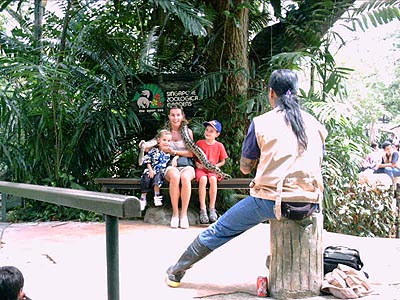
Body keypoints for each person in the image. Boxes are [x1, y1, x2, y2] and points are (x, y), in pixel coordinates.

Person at [165, 69, 327, 288]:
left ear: (271, 93)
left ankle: (176, 272)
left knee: (220, 229)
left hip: (271, 201)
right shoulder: (315, 124)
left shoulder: (262, 122)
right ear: (296, 93)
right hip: (310, 202)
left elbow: (244, 168)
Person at [139, 105, 196, 228]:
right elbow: (154, 143)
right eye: (173, 115)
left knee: (185, 178)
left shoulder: (187, 132)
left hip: (186, 164)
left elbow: (191, 153)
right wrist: (144, 144)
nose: (175, 118)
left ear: (182, 116)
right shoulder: (165, 132)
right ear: (169, 117)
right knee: (175, 177)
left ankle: (183, 215)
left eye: (178, 115)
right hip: (168, 165)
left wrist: (175, 153)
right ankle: (175, 214)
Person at [195, 120, 228, 224]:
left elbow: (223, 161)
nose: (208, 132)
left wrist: (214, 166)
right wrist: (197, 164)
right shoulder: (199, 143)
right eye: (207, 130)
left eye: (211, 131)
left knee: (213, 179)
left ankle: (212, 208)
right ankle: (203, 209)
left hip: (213, 170)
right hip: (201, 170)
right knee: (203, 180)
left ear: (217, 134)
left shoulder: (219, 146)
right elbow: (195, 158)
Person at [139, 129, 176, 211]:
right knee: (146, 179)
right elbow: (147, 160)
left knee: (157, 179)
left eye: (168, 140)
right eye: (164, 140)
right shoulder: (153, 150)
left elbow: (174, 156)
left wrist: (174, 155)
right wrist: (150, 170)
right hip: (151, 169)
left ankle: (157, 195)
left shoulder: (168, 152)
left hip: (160, 172)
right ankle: (143, 198)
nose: (166, 142)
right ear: (158, 140)